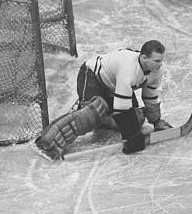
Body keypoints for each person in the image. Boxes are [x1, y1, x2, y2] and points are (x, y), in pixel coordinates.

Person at [36, 40, 172, 158]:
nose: (160, 64)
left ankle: (103, 119)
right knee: (92, 113)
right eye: (156, 61)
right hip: (92, 76)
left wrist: (156, 122)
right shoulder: (129, 69)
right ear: (143, 58)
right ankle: (48, 141)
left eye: (161, 60)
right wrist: (132, 138)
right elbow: (122, 108)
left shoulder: (157, 71)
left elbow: (150, 97)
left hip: (115, 87)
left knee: (137, 118)